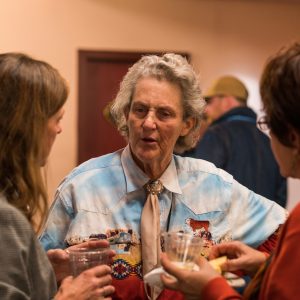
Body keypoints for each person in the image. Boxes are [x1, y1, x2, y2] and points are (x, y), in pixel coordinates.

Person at [39, 53, 287, 300]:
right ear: (126, 114)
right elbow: (35, 277)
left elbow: (287, 235)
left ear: (187, 124)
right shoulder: (80, 187)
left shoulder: (215, 186)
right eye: (140, 110)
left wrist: (259, 265)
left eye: (164, 114)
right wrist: (51, 275)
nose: (148, 123)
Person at [160, 42, 300, 300]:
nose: (208, 111)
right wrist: (268, 263)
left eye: (268, 121)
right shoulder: (263, 142)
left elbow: (195, 191)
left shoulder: (216, 136)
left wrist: (209, 287)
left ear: (291, 135)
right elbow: (279, 200)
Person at [0, 53, 115, 300]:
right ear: (28, 125)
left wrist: (39, 269)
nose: (59, 129)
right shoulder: (5, 217)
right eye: (56, 119)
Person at [182, 75, 287, 207]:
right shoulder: (269, 142)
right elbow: (281, 198)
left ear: (227, 101)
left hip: (227, 227)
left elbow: (203, 189)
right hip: (267, 226)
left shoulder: (216, 135)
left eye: (210, 101)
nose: (207, 109)